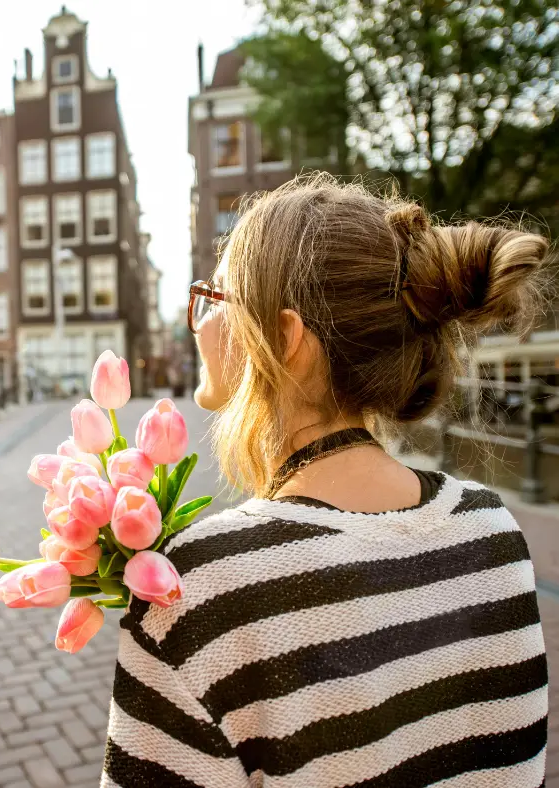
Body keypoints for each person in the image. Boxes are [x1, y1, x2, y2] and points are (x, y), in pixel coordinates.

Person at [103, 174, 550, 787]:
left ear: (286, 339)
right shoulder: (492, 530)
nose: (198, 324)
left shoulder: (200, 589)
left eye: (215, 299)